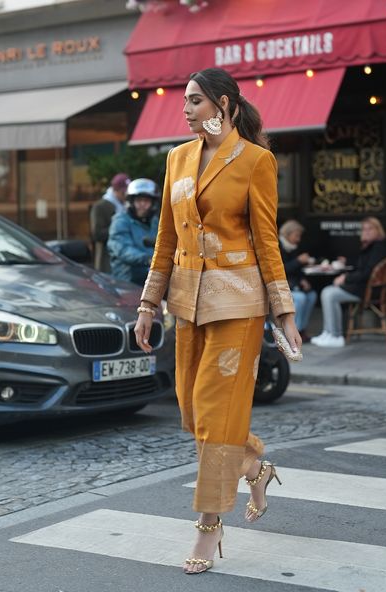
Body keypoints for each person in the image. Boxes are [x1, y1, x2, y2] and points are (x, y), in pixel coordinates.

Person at [133, 67, 301, 575]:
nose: (185, 111)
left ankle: (208, 529)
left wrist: (285, 312)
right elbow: (166, 238)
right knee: (192, 413)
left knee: (214, 413)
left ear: (224, 105)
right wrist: (147, 304)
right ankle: (254, 466)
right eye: (184, 102)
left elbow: (267, 240)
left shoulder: (256, 161)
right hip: (187, 301)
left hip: (239, 302)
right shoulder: (177, 158)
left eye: (195, 102)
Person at [311, 216, 386, 348]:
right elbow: (362, 265)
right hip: (365, 287)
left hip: (368, 290)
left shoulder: (379, 247)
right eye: (364, 229)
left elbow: (367, 273)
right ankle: (328, 333)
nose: (366, 232)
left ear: (378, 230)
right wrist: (346, 262)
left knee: (329, 293)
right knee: (329, 290)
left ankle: (335, 335)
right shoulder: (372, 246)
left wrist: (345, 278)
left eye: (370, 229)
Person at [107, 178, 160, 285]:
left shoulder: (154, 221)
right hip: (127, 280)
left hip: (152, 276)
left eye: (146, 201)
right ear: (131, 202)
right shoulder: (120, 221)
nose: (142, 204)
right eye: (139, 200)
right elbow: (123, 249)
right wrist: (148, 259)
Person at [279, 220, 317, 343]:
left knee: (311, 295)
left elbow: (296, 271)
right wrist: (298, 261)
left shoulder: (293, 248)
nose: (298, 239)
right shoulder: (277, 246)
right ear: (287, 234)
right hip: (280, 286)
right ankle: (293, 332)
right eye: (296, 235)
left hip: (293, 285)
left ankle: (301, 329)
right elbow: (280, 270)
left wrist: (302, 280)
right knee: (300, 298)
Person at [89, 172, 130, 273]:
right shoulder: (100, 206)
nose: (126, 196)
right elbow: (97, 234)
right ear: (115, 190)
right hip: (107, 260)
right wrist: (119, 229)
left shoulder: (127, 206)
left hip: (125, 262)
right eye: (123, 192)